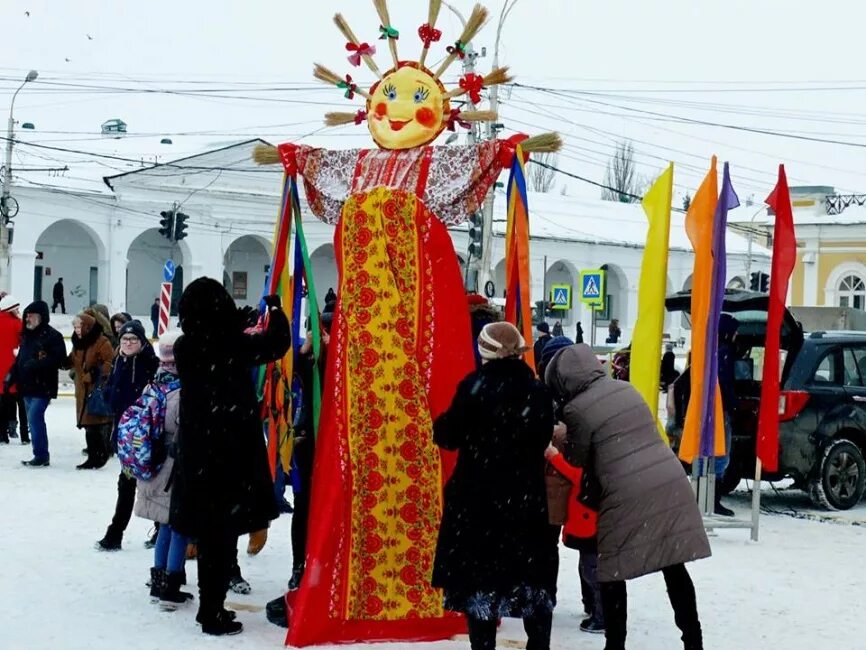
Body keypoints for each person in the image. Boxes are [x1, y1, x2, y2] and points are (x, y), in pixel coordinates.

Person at [544, 344, 710, 650]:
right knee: (674, 565)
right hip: (668, 481)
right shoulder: (626, 388)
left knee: (611, 570)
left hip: (625, 491)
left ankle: (615, 644)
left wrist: (557, 443)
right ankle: (693, 639)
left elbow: (579, 461)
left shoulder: (575, 409)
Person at [170, 277, 290, 636]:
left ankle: (210, 605)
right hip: (230, 456)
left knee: (210, 538)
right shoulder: (232, 344)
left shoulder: (184, 346)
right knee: (222, 539)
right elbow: (276, 344)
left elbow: (215, 342)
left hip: (198, 456)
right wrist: (278, 311)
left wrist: (231, 325)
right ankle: (212, 612)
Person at [432, 322, 559, 650]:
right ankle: (539, 645)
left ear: (484, 350)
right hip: (527, 501)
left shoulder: (474, 387)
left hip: (479, 503)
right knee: (532, 584)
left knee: (481, 588)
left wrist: (444, 421)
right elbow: (542, 437)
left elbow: (447, 436)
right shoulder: (538, 391)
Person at [133, 330, 193, 609]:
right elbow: (181, 427)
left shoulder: (152, 385)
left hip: (152, 462)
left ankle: (158, 582)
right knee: (178, 527)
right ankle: (170, 587)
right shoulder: (183, 391)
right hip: (173, 465)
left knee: (164, 526)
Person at [96, 320, 159, 551]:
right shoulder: (119, 361)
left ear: (142, 342)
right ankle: (116, 533)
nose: (129, 343)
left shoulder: (151, 363)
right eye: (124, 339)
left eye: (133, 339)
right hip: (124, 435)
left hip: (145, 436)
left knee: (150, 484)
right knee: (127, 484)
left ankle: (158, 530)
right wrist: (109, 394)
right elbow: (113, 391)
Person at [9, 301, 66, 467]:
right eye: (27, 315)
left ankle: (41, 455)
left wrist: (38, 364)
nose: (28, 319)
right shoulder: (27, 335)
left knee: (35, 418)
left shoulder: (53, 336)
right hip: (26, 386)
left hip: (43, 385)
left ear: (41, 317)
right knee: (33, 419)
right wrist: (11, 377)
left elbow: (59, 358)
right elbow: (20, 359)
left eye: (31, 315)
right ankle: (40, 453)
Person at [68, 312, 114, 469]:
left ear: (87, 327)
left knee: (93, 425)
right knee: (89, 425)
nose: (76, 330)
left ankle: (98, 456)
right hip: (82, 389)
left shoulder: (102, 342)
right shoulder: (78, 343)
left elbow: (109, 362)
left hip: (96, 389)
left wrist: (94, 373)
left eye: (78, 326)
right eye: (74, 327)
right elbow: (72, 360)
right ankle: (96, 456)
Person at [714, 314, 739, 517]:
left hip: (712, 408)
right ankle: (714, 500)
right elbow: (725, 383)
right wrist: (734, 404)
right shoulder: (725, 353)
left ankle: (708, 497)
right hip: (721, 409)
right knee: (722, 454)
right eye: (735, 331)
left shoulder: (712, 349)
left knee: (713, 452)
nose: (737, 335)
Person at [0, 296, 21, 444]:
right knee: (11, 400)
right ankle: (12, 428)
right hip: (11, 367)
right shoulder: (17, 324)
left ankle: (1, 434)